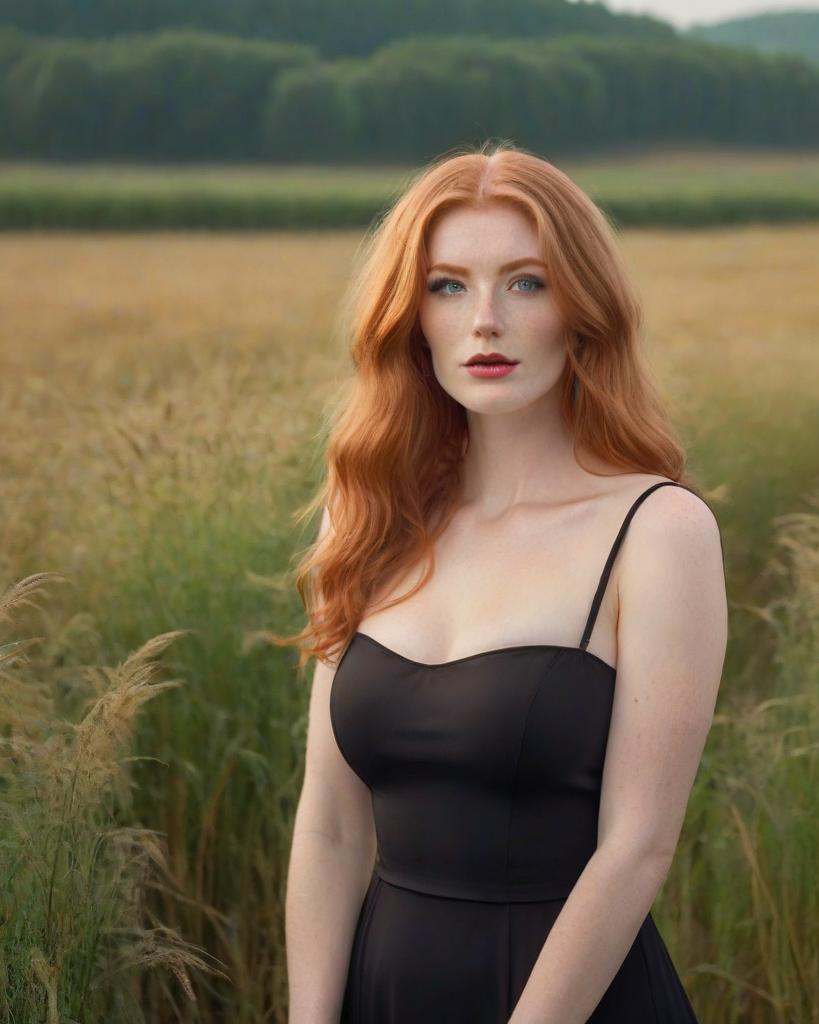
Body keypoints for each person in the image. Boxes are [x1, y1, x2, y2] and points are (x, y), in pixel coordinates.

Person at [281, 140, 728, 1024]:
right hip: (385, 990)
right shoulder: (367, 516)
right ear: (412, 316)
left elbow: (636, 848)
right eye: (449, 286)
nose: (485, 319)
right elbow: (332, 825)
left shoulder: (658, 533)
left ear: (582, 307)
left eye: (526, 282)